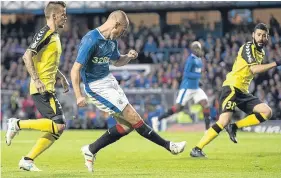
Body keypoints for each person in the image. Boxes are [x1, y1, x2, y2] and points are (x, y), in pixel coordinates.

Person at [70, 10, 186, 172]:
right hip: (96, 86)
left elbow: (117, 62)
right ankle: (168, 145)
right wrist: (78, 95)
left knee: (126, 126)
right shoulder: (91, 39)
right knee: (133, 116)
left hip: (109, 81)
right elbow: (75, 70)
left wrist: (128, 57)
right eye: (122, 30)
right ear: (115, 24)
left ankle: (90, 149)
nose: (123, 34)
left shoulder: (112, 41)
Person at [190, 23, 281, 157]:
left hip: (243, 91)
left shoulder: (261, 52)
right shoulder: (248, 47)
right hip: (232, 87)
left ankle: (234, 126)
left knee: (266, 112)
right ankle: (197, 148)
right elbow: (254, 69)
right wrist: (276, 63)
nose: (261, 38)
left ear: (267, 37)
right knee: (223, 120)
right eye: (259, 35)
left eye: (264, 36)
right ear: (253, 35)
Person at [5, 1, 69, 171]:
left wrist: (61, 76)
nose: (66, 17)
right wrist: (37, 79)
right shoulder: (45, 33)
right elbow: (27, 56)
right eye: (63, 14)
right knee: (59, 125)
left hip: (48, 86)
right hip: (41, 88)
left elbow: (46, 62)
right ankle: (17, 124)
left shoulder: (54, 35)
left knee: (57, 129)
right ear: (54, 15)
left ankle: (27, 160)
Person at [151, 41, 212, 132]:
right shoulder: (190, 59)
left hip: (195, 88)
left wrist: (198, 81)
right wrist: (199, 76)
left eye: (198, 48)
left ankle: (207, 130)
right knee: (178, 108)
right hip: (187, 88)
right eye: (195, 48)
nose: (197, 50)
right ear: (193, 50)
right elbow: (186, 74)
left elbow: (195, 73)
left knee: (205, 104)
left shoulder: (199, 59)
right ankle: (157, 119)